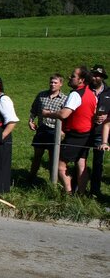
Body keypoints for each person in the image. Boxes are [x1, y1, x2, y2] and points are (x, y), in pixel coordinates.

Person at [42, 66, 96, 194]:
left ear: (81, 80)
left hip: (75, 135)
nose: (70, 78)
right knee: (81, 165)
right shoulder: (91, 94)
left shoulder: (76, 94)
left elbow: (64, 114)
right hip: (87, 134)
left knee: (59, 165)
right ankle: (80, 194)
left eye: (73, 76)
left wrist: (48, 113)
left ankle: (68, 192)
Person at [28, 74, 67, 181]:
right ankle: (31, 177)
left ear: (61, 84)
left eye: (55, 83)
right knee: (37, 155)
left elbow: (67, 116)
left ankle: (52, 181)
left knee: (53, 158)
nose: (52, 84)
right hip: (42, 129)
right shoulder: (41, 95)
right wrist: (31, 121)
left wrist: (63, 130)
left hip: (55, 131)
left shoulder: (64, 99)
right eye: (51, 82)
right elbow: (33, 110)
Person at [89, 65, 110, 196]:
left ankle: (95, 191)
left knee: (98, 163)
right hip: (85, 129)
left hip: (101, 132)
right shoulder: (84, 90)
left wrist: (106, 116)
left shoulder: (109, 92)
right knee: (80, 160)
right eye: (93, 74)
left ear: (102, 77)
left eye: (97, 75)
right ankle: (76, 188)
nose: (94, 77)